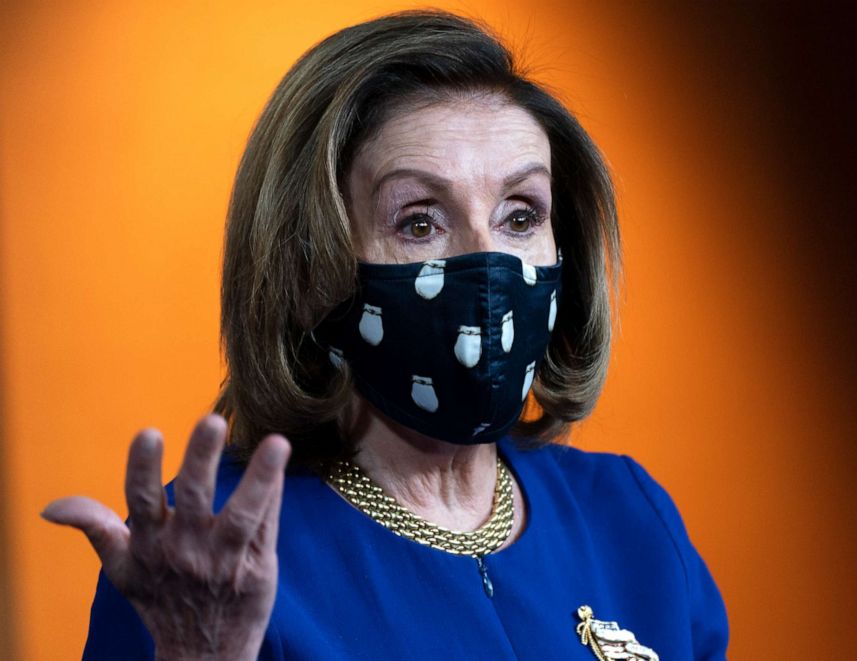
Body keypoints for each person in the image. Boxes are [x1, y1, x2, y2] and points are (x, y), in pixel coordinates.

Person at [42, 9, 729, 660]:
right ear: (310, 270)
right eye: (420, 222)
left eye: (521, 215)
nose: (486, 264)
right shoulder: (203, 554)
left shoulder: (628, 516)